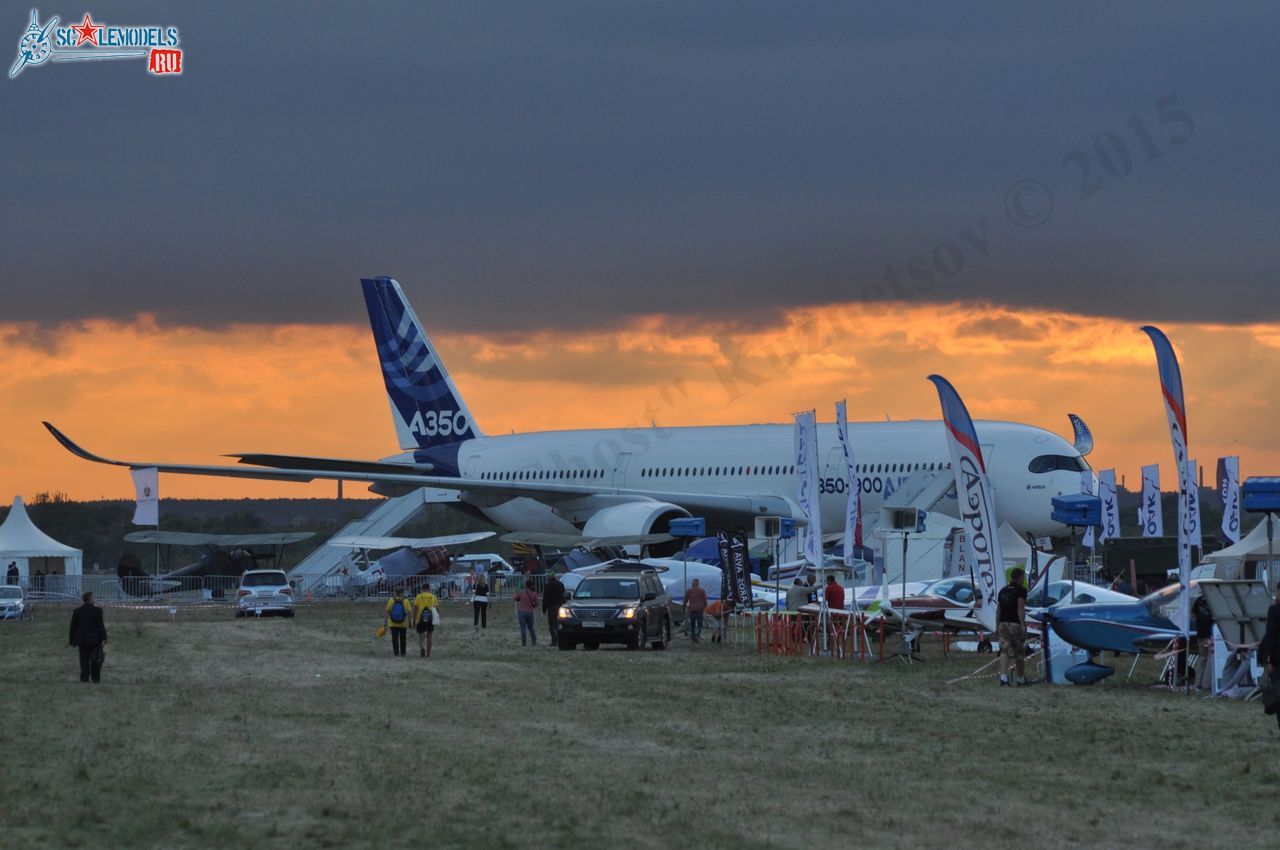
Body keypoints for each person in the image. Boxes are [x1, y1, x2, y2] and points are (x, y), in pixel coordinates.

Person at [997, 568, 1029, 687]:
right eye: (1023, 577)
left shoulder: (1003, 590)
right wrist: (1022, 624)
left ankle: (1003, 678)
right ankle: (1020, 679)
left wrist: (996, 626)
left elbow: (998, 610)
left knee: (1004, 651)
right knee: (1019, 653)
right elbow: (1020, 608)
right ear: (1020, 577)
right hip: (1015, 624)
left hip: (1003, 624)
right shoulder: (1021, 590)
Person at [69, 591, 107, 683]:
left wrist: (72, 640)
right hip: (95, 639)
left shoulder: (77, 611)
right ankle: (95, 678)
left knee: (83, 659)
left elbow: (73, 627)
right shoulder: (97, 611)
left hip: (82, 639)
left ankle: (85, 677)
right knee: (95, 659)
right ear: (89, 599)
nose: (94, 600)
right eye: (93, 598)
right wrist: (104, 638)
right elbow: (100, 625)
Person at [1259, 583, 1280, 729]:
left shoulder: (1274, 610)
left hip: (1278, 658)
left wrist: (1267, 658)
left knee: (1278, 691)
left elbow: (1270, 636)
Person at [1192, 593, 1215, 691]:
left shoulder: (1198, 600)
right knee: (1210, 657)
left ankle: (1197, 683)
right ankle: (1206, 684)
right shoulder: (1213, 600)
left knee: (1202, 658)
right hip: (1210, 633)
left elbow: (1193, 614)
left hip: (1200, 634)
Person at [413, 584, 439, 658]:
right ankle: (428, 654)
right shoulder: (433, 597)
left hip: (420, 619)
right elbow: (437, 609)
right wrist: (436, 618)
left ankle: (422, 647)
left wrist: (414, 620)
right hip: (430, 619)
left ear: (422, 589)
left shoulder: (418, 597)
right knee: (429, 637)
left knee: (421, 637)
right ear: (429, 589)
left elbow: (415, 610)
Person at [384, 588, 411, 657]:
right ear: (403, 592)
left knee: (394, 638)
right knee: (403, 638)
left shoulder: (391, 600)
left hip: (393, 623)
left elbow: (387, 612)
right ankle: (403, 653)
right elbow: (409, 612)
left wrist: (385, 622)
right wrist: (410, 622)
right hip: (403, 623)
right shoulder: (406, 601)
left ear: (395, 592)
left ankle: (396, 653)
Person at [542, 571, 566, 645]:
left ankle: (554, 641)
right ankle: (561, 639)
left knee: (552, 625)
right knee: (559, 624)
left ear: (550, 576)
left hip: (551, 607)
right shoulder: (561, 584)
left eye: (547, 576)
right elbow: (563, 596)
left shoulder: (548, 585)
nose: (547, 577)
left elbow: (545, 598)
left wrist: (544, 608)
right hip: (560, 607)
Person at [514, 579, 539, 646]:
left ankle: (524, 642)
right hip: (530, 612)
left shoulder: (521, 592)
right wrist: (533, 604)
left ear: (526, 585)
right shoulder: (534, 593)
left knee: (523, 627)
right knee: (531, 627)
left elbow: (516, 598)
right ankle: (534, 641)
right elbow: (537, 604)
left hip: (521, 611)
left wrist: (515, 593)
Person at [685, 578, 708, 643]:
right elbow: (705, 602)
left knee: (692, 625)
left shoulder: (689, 591)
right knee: (699, 624)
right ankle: (697, 635)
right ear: (698, 583)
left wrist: (684, 609)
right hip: (700, 610)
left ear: (693, 583)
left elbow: (685, 601)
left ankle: (693, 637)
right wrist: (703, 607)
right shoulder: (702, 591)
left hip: (692, 609)